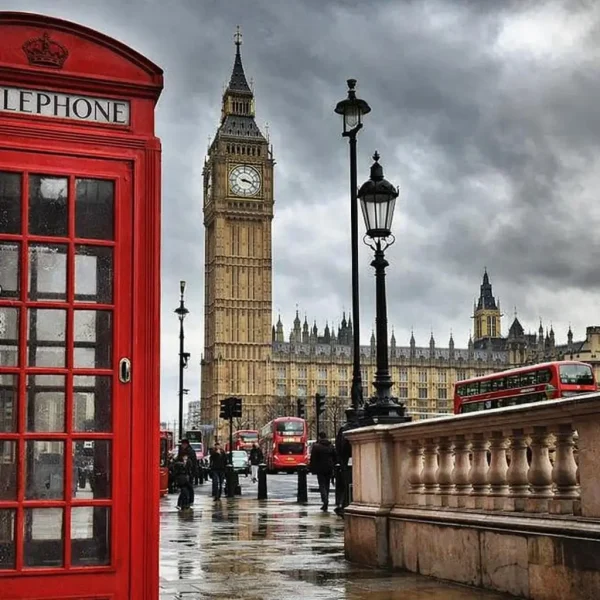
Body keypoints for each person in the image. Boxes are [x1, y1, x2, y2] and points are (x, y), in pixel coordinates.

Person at [310, 431, 337, 512]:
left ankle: (325, 501)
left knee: (322, 485)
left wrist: (312, 468)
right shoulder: (331, 446)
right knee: (327, 485)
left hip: (320, 468)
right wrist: (333, 465)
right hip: (329, 468)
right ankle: (326, 501)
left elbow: (313, 459)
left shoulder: (316, 446)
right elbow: (335, 457)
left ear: (319, 437)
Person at [177, 439, 197, 505]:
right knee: (186, 488)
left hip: (187, 473)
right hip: (186, 473)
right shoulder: (185, 451)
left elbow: (193, 463)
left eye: (182, 444)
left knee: (186, 488)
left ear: (185, 444)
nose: (182, 445)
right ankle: (186, 502)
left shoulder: (188, 452)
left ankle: (184, 502)